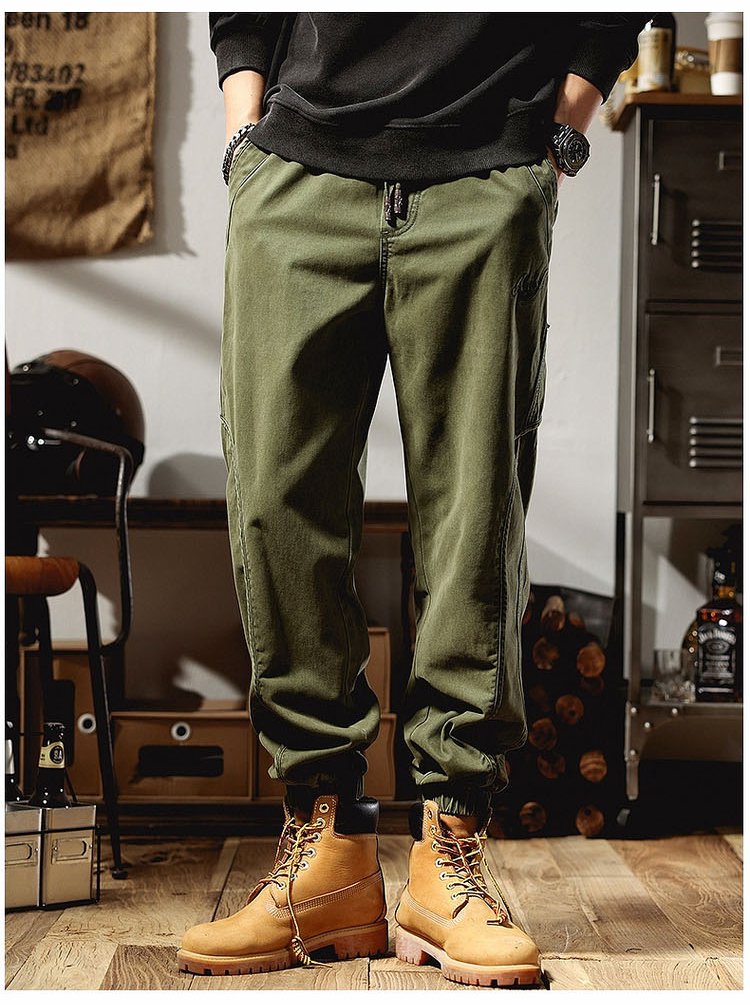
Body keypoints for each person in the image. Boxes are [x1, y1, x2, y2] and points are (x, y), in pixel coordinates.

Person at [178, 13, 653, 987]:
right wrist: (244, 133)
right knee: (277, 506)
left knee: (475, 516)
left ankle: (449, 854)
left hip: (485, 172)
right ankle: (330, 852)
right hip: (296, 174)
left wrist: (559, 130)